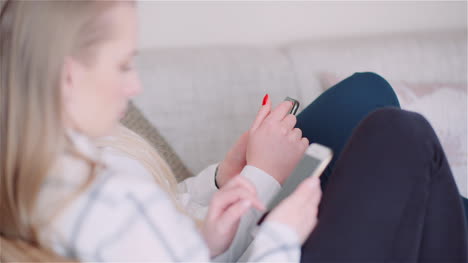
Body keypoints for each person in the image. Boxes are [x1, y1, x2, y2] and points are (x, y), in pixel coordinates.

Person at [1, 1, 466, 262]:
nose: (135, 85)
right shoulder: (100, 202)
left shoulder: (61, 156)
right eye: (123, 65)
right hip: (264, 251)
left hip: (225, 240)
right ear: (67, 76)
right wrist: (275, 216)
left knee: (364, 95)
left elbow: (163, 231)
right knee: (399, 137)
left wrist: (225, 180)